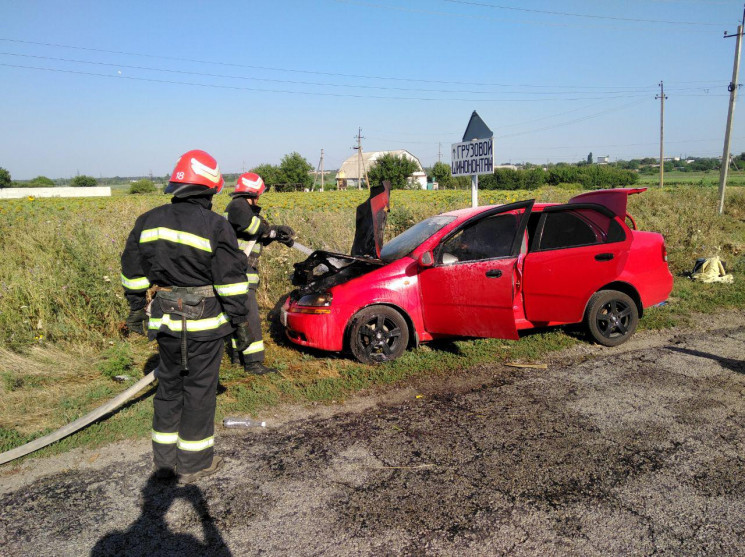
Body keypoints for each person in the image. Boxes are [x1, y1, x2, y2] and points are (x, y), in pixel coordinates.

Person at [121, 149, 253, 483]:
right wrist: (238, 323)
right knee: (198, 390)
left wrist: (137, 308)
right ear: (209, 190)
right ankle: (194, 465)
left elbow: (133, 272)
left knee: (169, 387)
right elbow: (232, 284)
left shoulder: (147, 221)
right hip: (205, 325)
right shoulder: (216, 226)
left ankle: (164, 463)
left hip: (165, 319)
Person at [224, 172, 294, 375]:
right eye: (259, 193)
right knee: (250, 316)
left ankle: (239, 357)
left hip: (239, 273)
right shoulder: (238, 207)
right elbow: (254, 227)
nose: (260, 197)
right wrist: (273, 230)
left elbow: (257, 236)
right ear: (253, 192)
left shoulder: (243, 209)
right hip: (238, 274)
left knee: (240, 317)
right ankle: (253, 363)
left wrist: (277, 234)